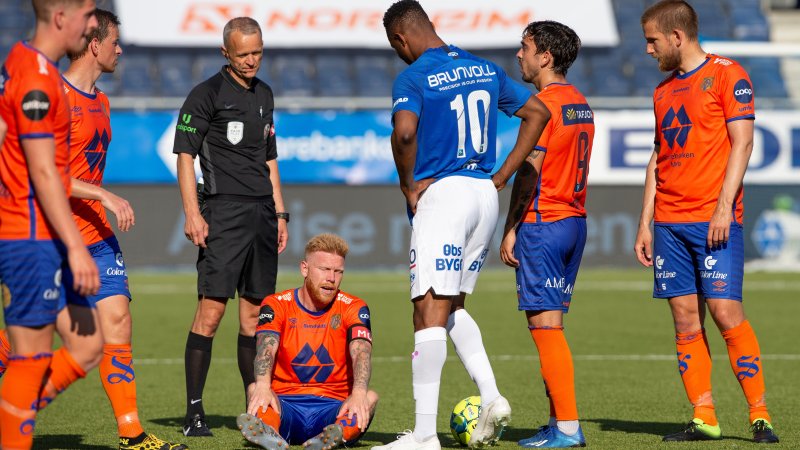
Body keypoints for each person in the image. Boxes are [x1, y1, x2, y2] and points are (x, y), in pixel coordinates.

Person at [376, 2, 551, 449]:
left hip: (446, 196)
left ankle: (423, 435)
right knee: (453, 305)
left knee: (427, 309)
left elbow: (405, 134)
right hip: (482, 194)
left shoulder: (413, 77)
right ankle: (491, 397)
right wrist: (501, 176)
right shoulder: (483, 67)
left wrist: (408, 185)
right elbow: (537, 114)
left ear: (399, 39)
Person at [634, 0, 779, 444]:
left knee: (725, 313)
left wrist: (722, 207)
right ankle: (704, 416)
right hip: (670, 224)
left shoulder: (728, 75)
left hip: (713, 219)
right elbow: (657, 159)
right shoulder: (662, 92)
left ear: (677, 38)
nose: (648, 51)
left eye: (653, 41)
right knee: (684, 321)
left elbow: (743, 143)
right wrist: (646, 223)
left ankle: (760, 415)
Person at [174, 16, 288, 437]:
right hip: (222, 213)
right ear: (226, 52)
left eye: (257, 52)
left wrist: (279, 212)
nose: (252, 60)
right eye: (243, 54)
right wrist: (192, 212)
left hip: (261, 214)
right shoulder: (205, 94)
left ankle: (255, 409)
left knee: (255, 318)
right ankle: (194, 413)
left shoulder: (266, 94)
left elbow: (270, 158)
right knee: (211, 313)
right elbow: (184, 157)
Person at [0, 1, 100, 448]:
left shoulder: (22, 60)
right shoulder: (38, 79)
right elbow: (44, 173)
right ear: (61, 17)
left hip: (41, 233)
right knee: (31, 359)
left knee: (88, 344)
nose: (94, 24)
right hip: (30, 233)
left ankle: (9, 416)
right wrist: (76, 247)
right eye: (88, 14)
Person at [499, 21, 593, 449]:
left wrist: (511, 226)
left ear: (545, 57)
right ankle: (559, 423)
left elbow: (528, 168)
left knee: (545, 328)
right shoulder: (580, 102)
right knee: (552, 324)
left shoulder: (542, 104)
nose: (518, 55)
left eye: (525, 48)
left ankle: (569, 429)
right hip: (574, 221)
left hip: (544, 221)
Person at [235, 233, 378, 450]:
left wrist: (357, 393)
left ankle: (332, 436)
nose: (331, 278)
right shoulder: (276, 304)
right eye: (324, 269)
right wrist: (264, 385)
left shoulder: (354, 307)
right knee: (255, 388)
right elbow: (266, 348)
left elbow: (361, 351)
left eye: (338, 271)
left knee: (369, 397)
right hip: (284, 405)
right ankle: (271, 435)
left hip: (334, 407)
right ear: (305, 269)